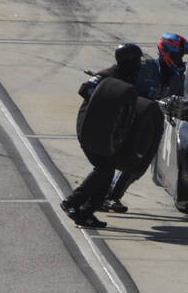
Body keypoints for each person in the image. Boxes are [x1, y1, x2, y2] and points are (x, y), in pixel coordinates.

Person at [62, 43, 145, 227]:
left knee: (108, 171)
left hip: (108, 134)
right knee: (104, 169)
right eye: (137, 60)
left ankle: (86, 212)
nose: (140, 64)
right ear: (128, 61)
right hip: (91, 130)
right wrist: (107, 97)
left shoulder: (129, 79)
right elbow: (85, 90)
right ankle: (72, 203)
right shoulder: (107, 76)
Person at [155, 32, 188, 96]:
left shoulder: (183, 73)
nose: (180, 60)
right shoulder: (152, 72)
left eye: (181, 56)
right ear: (166, 53)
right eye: (177, 56)